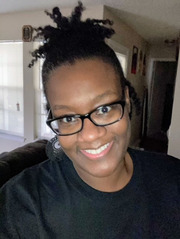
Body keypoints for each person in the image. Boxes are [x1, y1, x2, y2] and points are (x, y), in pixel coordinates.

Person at [0, 2, 180, 238]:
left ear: (125, 100)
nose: (90, 134)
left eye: (104, 108)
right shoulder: (22, 205)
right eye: (69, 117)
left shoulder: (173, 179)